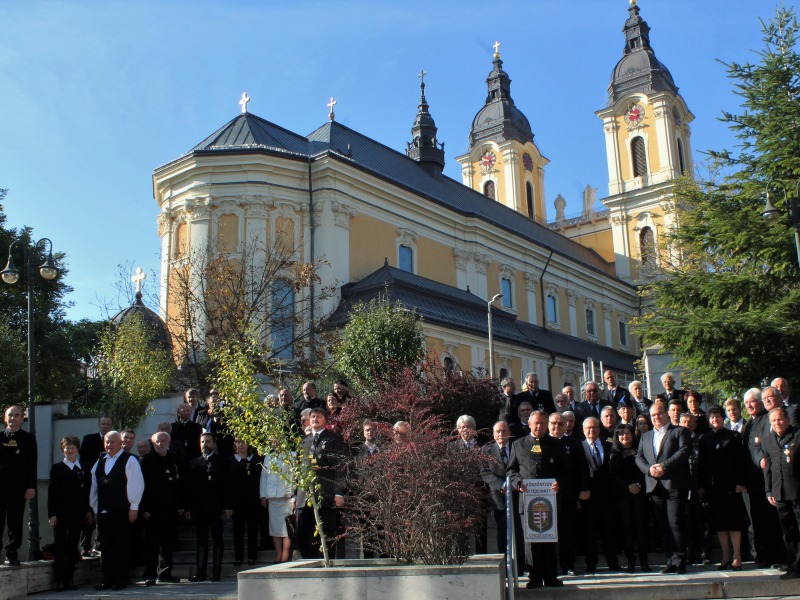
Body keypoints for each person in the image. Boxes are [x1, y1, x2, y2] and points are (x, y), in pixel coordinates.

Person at [507, 410, 566, 589]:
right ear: (530, 424)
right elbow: (511, 470)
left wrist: (559, 483)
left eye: (542, 423)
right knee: (531, 541)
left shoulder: (556, 444)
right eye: (536, 423)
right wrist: (518, 484)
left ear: (547, 425)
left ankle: (551, 576)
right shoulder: (518, 444)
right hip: (528, 500)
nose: (539, 426)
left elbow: (566, 470)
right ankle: (534, 577)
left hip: (550, 501)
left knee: (550, 538)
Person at [636, 402, 691, 573]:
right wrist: (649, 469)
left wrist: (664, 466)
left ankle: (680, 560)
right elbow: (639, 457)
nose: (656, 418)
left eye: (659, 414)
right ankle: (670, 560)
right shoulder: (646, 436)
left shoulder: (679, 431)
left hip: (674, 484)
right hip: (654, 486)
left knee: (675, 522)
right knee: (663, 525)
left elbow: (684, 450)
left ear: (667, 414)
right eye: (653, 415)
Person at [90, 431, 144, 591]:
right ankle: (108, 578)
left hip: (123, 511)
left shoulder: (130, 460)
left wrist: (134, 507)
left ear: (120, 443)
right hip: (103, 512)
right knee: (106, 546)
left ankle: (122, 578)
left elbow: (136, 484)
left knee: (122, 545)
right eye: (107, 442)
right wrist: (94, 508)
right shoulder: (99, 461)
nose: (109, 445)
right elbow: (94, 487)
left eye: (112, 442)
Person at [698, 406, 747, 571]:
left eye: (718, 417)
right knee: (719, 524)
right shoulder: (704, 439)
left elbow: (741, 461)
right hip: (712, 487)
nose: (715, 420)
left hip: (731, 486)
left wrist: (740, 482)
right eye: (712, 418)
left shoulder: (733, 436)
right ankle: (726, 555)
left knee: (733, 522)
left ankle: (737, 555)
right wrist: (701, 485)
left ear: (723, 418)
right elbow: (701, 465)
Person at [293, 408, 345, 559]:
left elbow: (340, 467)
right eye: (313, 416)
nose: (315, 419)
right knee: (303, 532)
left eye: (319, 416)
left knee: (326, 532)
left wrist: (338, 492)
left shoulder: (334, 439)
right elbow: (298, 469)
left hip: (325, 494)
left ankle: (327, 564)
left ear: (325, 419)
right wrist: (294, 495)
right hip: (305, 495)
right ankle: (307, 562)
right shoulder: (304, 441)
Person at [48, 435, 92, 590]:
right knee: (60, 545)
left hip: (78, 514)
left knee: (73, 546)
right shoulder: (57, 468)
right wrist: (52, 514)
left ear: (78, 450)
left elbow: (87, 492)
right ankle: (59, 580)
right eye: (67, 447)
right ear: (63, 449)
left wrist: (88, 510)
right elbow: (52, 493)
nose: (70, 450)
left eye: (73, 447)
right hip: (60, 515)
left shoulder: (83, 469)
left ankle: (69, 579)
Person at [139, 431, 183, 585]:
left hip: (171, 509)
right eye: (157, 441)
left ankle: (165, 573)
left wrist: (182, 505)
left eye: (163, 440)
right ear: (153, 442)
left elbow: (181, 484)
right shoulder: (146, 460)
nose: (161, 443)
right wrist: (143, 508)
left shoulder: (175, 459)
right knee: (151, 544)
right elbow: (141, 486)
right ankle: (150, 574)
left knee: (168, 544)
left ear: (168, 442)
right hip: (152, 510)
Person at [578, 416, 621, 573]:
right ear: (583, 430)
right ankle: (591, 564)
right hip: (588, 496)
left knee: (609, 531)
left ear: (599, 428)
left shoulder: (608, 444)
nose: (591, 430)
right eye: (588, 428)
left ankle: (613, 562)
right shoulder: (579, 447)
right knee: (589, 532)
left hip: (607, 495)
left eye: (594, 427)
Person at [763, 407, 800, 580]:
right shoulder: (769, 439)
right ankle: (794, 565)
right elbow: (768, 467)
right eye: (773, 421)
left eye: (780, 419)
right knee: (788, 531)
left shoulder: (797, 435)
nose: (777, 423)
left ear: (787, 419)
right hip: (779, 492)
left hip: (797, 490)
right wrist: (769, 489)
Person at [609, 424, 650, 572]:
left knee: (641, 527)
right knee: (628, 528)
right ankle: (631, 562)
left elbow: (644, 469)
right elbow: (613, 475)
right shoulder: (614, 453)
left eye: (627, 433)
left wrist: (637, 485)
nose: (625, 437)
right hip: (623, 495)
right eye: (621, 434)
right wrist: (627, 486)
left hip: (640, 493)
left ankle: (644, 562)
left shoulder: (640, 450)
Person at [186, 432, 226, 582]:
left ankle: (216, 571)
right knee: (201, 540)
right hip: (199, 508)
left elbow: (226, 486)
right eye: (202, 442)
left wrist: (227, 506)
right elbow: (189, 488)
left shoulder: (221, 462)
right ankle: (200, 571)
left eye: (208, 442)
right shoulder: (193, 463)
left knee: (217, 540)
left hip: (216, 508)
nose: (205, 444)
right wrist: (188, 507)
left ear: (214, 444)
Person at [0, 405, 37, 567]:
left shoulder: (28, 439)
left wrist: (31, 486)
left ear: (22, 418)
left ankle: (12, 554)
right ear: (4, 418)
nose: (13, 418)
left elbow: (32, 465)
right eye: (10, 415)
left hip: (19, 488)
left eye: (17, 415)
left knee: (15, 522)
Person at [548, 412, 583, 576]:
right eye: (553, 423)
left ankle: (568, 565)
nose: (556, 426)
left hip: (568, 496)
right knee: (548, 533)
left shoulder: (574, 444)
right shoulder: (541, 443)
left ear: (566, 426)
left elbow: (580, 470)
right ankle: (550, 566)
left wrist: (578, 495)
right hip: (545, 497)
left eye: (560, 424)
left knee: (568, 532)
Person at [79, 415, 112, 557]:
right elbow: (83, 460)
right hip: (91, 480)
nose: (105, 426)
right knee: (89, 515)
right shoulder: (89, 439)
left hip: (109, 483)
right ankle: (85, 545)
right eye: (103, 424)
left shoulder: (115, 440)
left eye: (108, 424)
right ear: (99, 425)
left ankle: (101, 544)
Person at [225, 439, 262, 566]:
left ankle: (252, 556)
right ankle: (238, 556)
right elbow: (227, 485)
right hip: (237, 501)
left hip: (253, 500)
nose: (240, 445)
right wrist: (228, 505)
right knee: (238, 530)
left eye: (243, 442)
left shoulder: (256, 460)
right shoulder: (230, 461)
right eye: (238, 442)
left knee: (253, 528)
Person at [480, 421, 513, 554]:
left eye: (504, 431)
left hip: (517, 494)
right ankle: (505, 563)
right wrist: (502, 485)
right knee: (502, 531)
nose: (501, 434)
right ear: (493, 435)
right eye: (498, 432)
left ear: (509, 433)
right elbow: (485, 472)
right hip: (498, 496)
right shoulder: (486, 450)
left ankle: (521, 565)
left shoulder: (517, 447)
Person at [260, 447, 295, 563]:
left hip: (286, 496)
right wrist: (263, 495)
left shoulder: (292, 455)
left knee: (287, 528)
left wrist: (294, 496)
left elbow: (295, 477)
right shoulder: (268, 457)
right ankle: (278, 553)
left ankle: (286, 553)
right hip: (273, 497)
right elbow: (264, 477)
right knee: (275, 528)